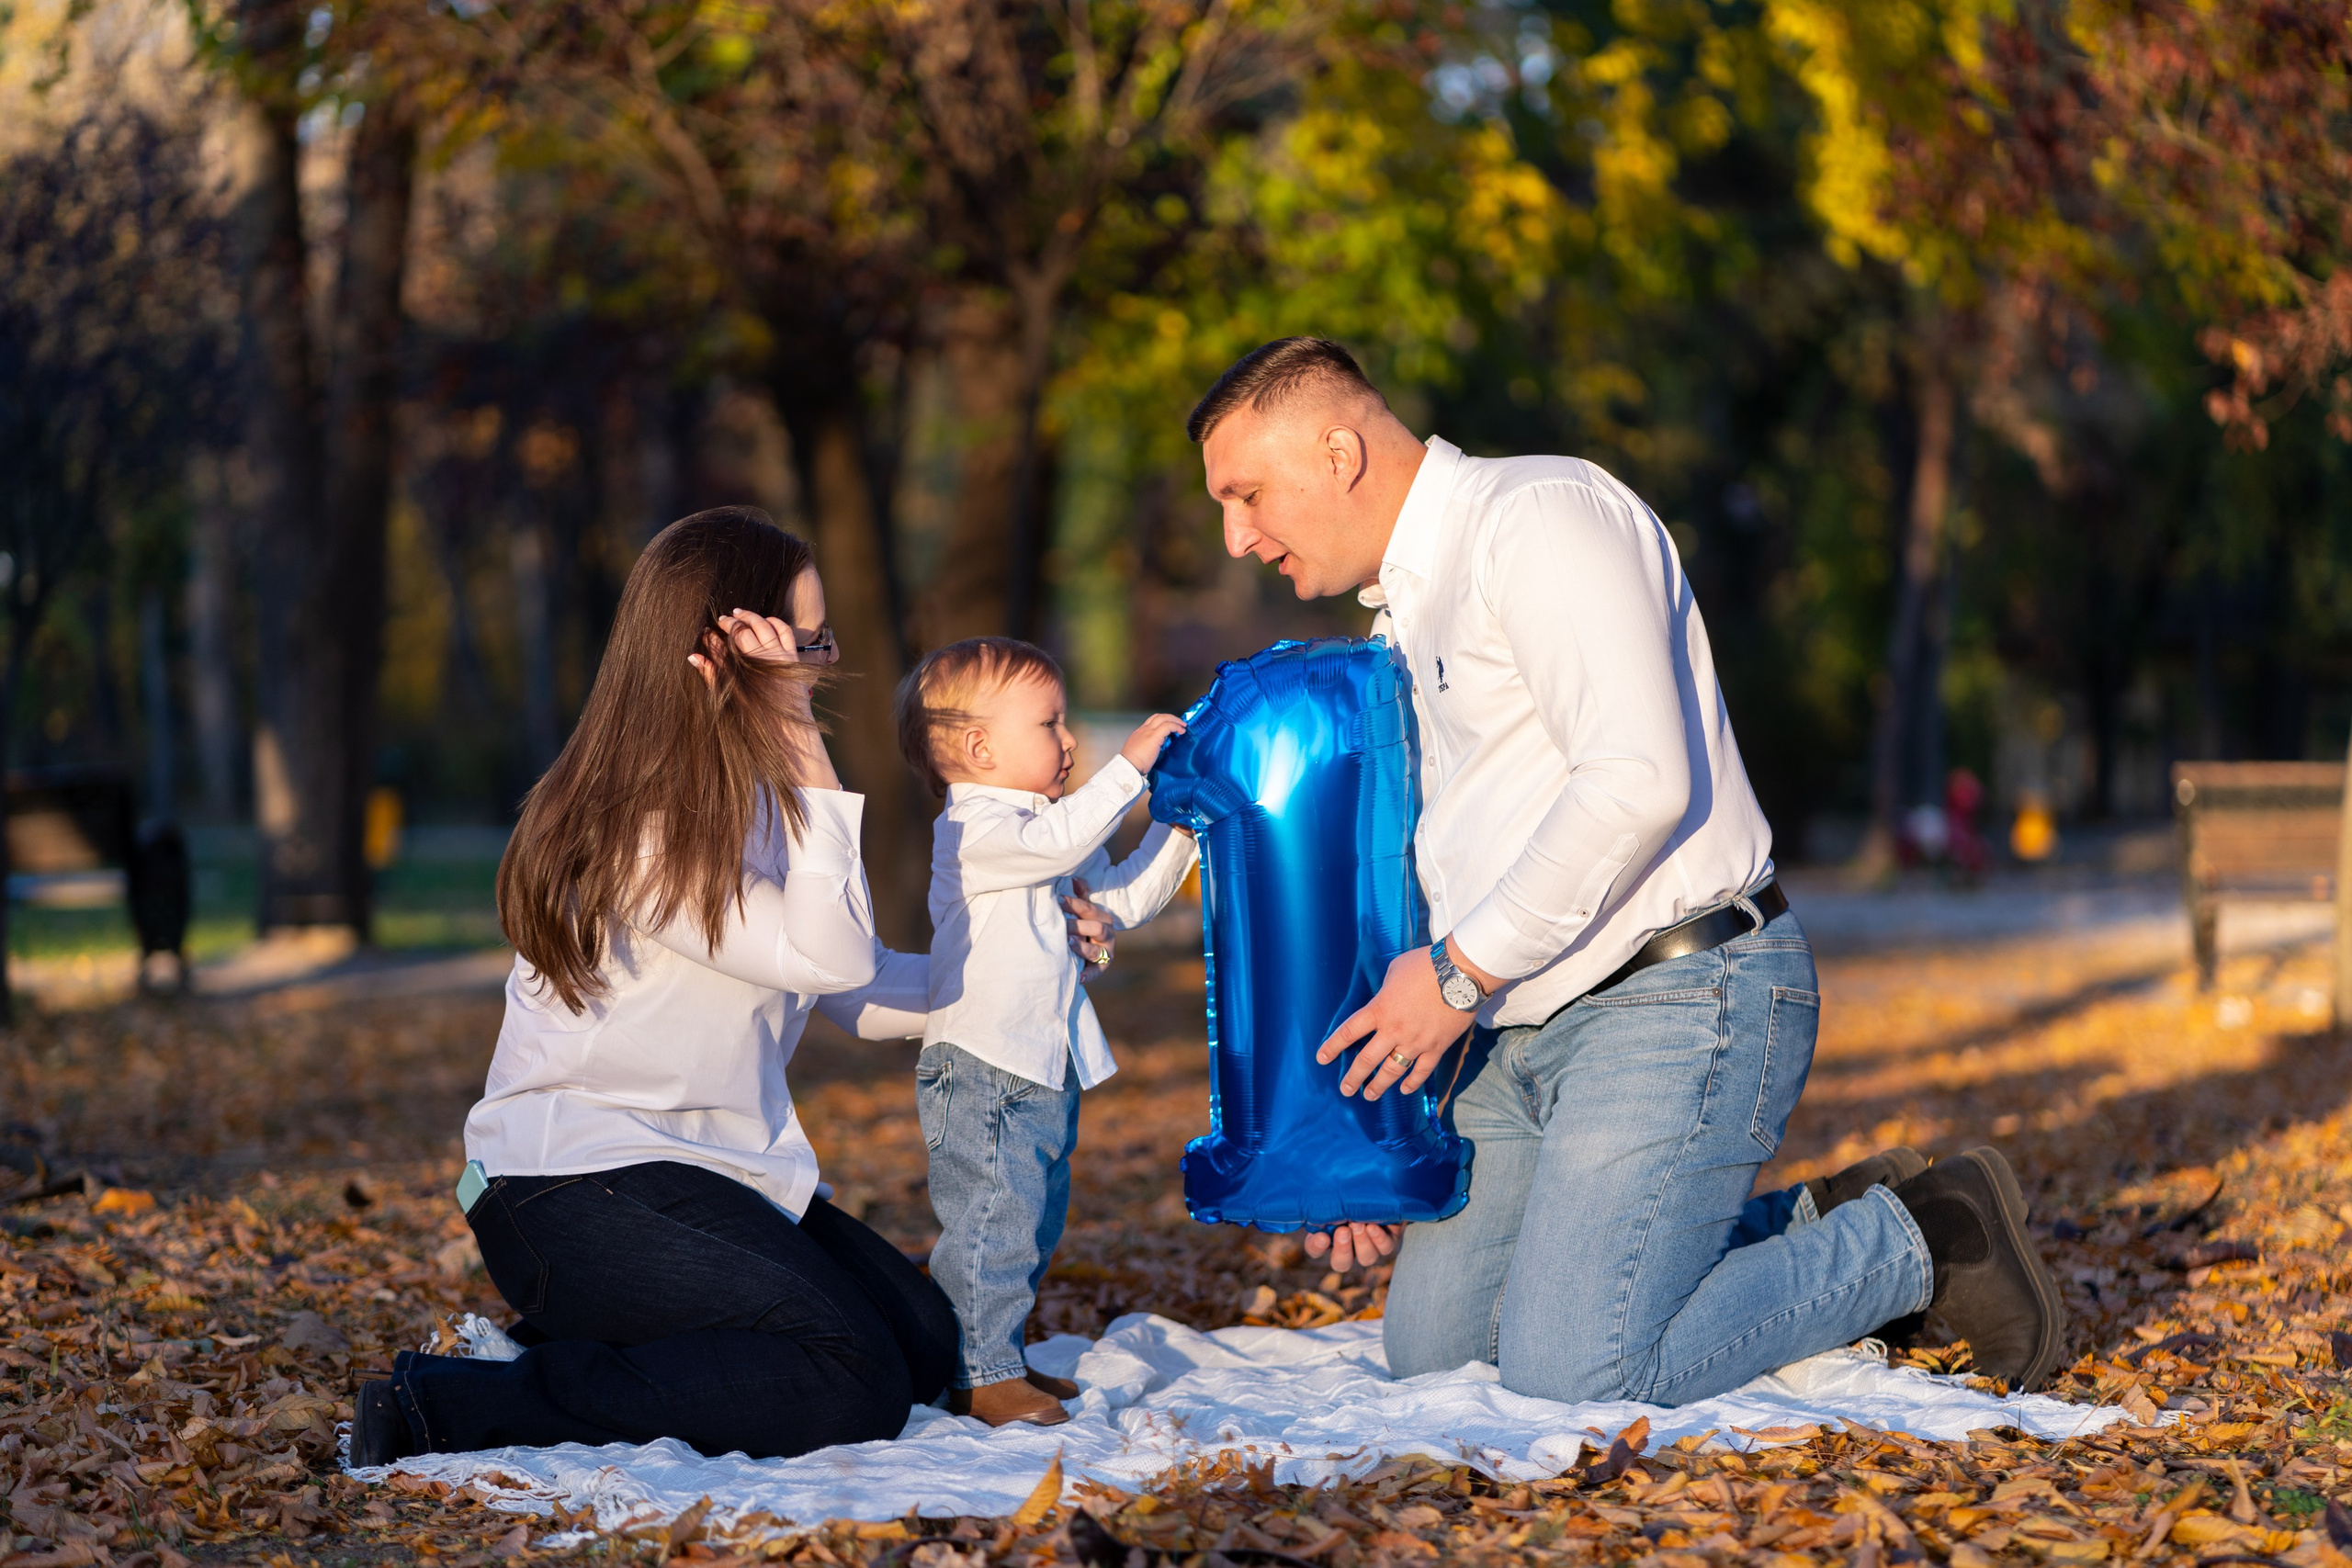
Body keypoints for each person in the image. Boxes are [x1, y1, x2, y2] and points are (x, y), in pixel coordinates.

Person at [1182, 338, 2069, 1402]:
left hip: (1680, 992)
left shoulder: (1538, 521)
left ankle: (1920, 1236)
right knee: (1438, 1359)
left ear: (1336, 452)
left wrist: (1459, 974)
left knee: (1579, 1369)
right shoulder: (1406, 610)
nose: (1236, 537)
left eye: (1245, 495)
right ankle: (1797, 1224)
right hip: (1511, 1032)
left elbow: (1636, 778)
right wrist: (1358, 1144)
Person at [350, 507, 955, 1466]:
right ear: (733, 646)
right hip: (569, 1188)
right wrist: (797, 725)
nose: (823, 668)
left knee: (923, 1344)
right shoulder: (633, 825)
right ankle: (453, 1404)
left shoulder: (762, 802)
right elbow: (834, 959)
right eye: (807, 642)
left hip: (706, 1179)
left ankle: (625, 1351)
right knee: (852, 1377)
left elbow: (859, 987)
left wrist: (1027, 959)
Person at [894, 637, 1199, 1426]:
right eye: (1051, 723)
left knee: (1026, 1220)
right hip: (985, 1065)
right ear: (979, 748)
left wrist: (1183, 826)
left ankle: (998, 1355)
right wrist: (1128, 770)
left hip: (1039, 1064)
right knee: (991, 1218)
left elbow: (1120, 902)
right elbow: (1061, 843)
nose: (1070, 741)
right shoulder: (975, 830)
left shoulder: (1041, 838)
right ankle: (979, 1369)